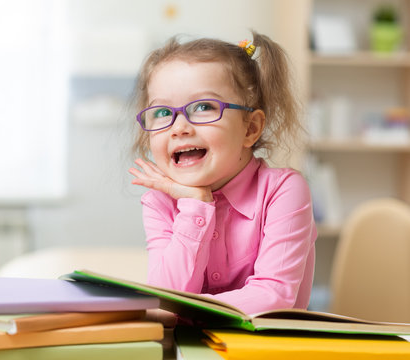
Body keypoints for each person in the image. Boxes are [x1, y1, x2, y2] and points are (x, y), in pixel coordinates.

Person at [129, 30, 317, 315]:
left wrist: (185, 313)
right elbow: (165, 298)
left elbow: (274, 297)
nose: (179, 127)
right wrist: (196, 207)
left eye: (203, 107)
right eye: (163, 113)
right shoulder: (159, 202)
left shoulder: (284, 190)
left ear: (250, 128)